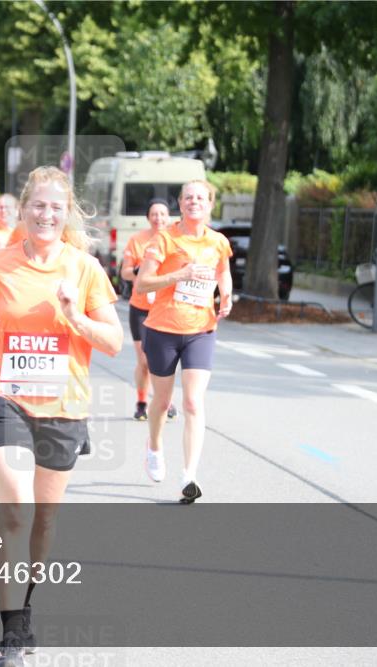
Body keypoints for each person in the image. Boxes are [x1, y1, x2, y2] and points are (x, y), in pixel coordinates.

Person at [0, 166, 122, 667]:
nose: (46, 214)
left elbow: (114, 343)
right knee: (16, 509)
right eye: (38, 206)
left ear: (65, 213)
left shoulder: (85, 269)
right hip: (4, 398)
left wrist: (75, 315)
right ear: (23, 210)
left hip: (64, 407)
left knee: (43, 522)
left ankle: (23, 609)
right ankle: (11, 638)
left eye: (56, 207)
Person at [133, 180, 232, 503]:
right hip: (162, 328)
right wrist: (179, 275)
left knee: (192, 402)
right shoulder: (164, 239)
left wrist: (226, 296)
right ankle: (155, 446)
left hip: (201, 330)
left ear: (209, 204)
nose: (194, 202)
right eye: (188, 197)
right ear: (181, 203)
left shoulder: (217, 242)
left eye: (200, 198)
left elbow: (222, 272)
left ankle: (189, 475)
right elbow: (142, 284)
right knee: (161, 403)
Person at [119, 198, 177, 421]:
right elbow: (124, 272)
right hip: (141, 307)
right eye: (154, 214)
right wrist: (141, 272)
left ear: (168, 217)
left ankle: (165, 401)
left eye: (163, 214)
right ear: (148, 217)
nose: (159, 218)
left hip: (165, 307)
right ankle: (142, 401)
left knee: (163, 361)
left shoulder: (174, 239)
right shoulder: (137, 240)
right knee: (144, 361)